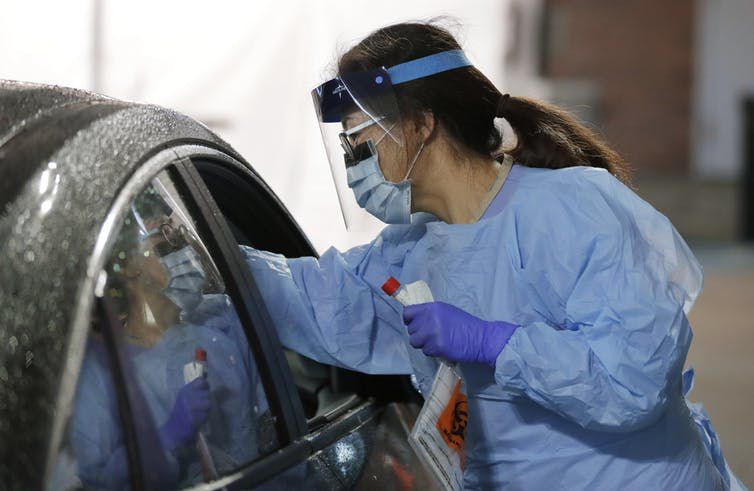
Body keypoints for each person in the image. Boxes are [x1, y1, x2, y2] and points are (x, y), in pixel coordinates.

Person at [242, 21, 747, 490]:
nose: (355, 163)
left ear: (420, 125)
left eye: (359, 138)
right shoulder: (413, 250)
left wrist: (496, 343)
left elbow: (633, 381)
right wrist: (197, 261)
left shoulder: (574, 211)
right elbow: (323, 302)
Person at [69, 181, 268, 490]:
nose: (182, 249)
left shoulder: (220, 323)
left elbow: (270, 433)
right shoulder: (98, 378)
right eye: (163, 236)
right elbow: (96, 482)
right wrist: (168, 435)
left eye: (176, 232)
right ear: (130, 264)